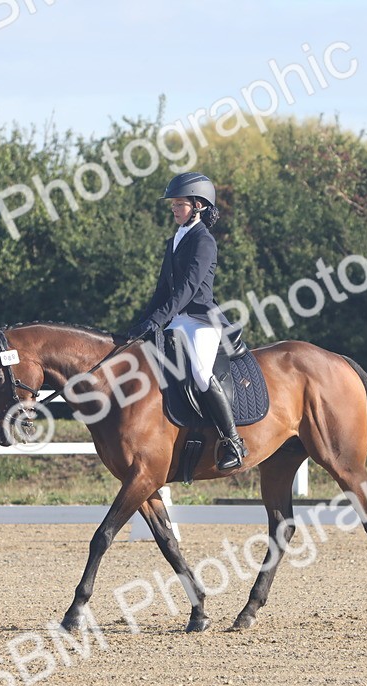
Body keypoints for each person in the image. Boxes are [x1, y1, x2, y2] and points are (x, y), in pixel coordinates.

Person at [126, 172, 248, 471]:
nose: (174, 208)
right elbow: (163, 290)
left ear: (199, 206)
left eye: (180, 204)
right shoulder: (175, 240)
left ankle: (233, 441)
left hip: (199, 320)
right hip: (174, 318)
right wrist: (142, 323)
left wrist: (159, 319)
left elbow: (187, 290)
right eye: (174, 204)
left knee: (201, 372)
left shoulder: (203, 241)